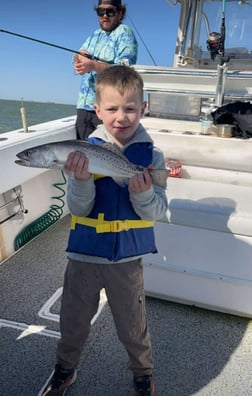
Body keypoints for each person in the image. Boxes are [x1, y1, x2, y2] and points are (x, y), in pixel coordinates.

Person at [41, 65, 168, 396]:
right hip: (84, 254)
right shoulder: (79, 152)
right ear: (97, 111)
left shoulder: (152, 156)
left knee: (132, 325)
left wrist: (142, 192)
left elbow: (157, 211)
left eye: (129, 109)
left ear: (143, 108)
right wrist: (80, 182)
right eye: (111, 109)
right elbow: (79, 209)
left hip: (127, 259)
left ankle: (142, 374)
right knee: (73, 321)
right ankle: (64, 369)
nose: (121, 117)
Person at [74, 0, 138, 140]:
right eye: (101, 11)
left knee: (106, 153)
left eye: (110, 11)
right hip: (85, 107)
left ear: (120, 13)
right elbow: (77, 58)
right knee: (84, 154)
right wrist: (78, 58)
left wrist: (93, 66)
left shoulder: (124, 33)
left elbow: (125, 71)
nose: (105, 15)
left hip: (108, 110)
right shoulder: (94, 35)